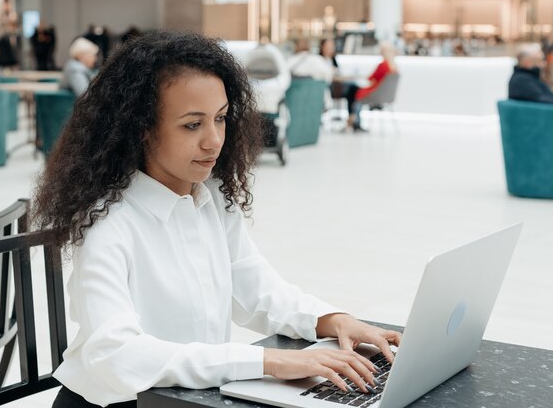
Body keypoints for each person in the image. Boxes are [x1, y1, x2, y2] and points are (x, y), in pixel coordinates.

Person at [32, 30, 401, 408]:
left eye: (221, 118)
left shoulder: (210, 200)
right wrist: (270, 361)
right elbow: (117, 355)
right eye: (193, 124)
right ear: (140, 128)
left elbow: (258, 292)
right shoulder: (108, 222)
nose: (214, 140)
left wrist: (333, 320)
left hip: (186, 398)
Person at [339, 41, 398, 132]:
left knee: (352, 90)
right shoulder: (394, 67)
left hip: (374, 93)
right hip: (382, 95)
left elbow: (371, 78)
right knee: (354, 89)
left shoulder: (383, 65)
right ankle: (354, 121)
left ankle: (352, 120)